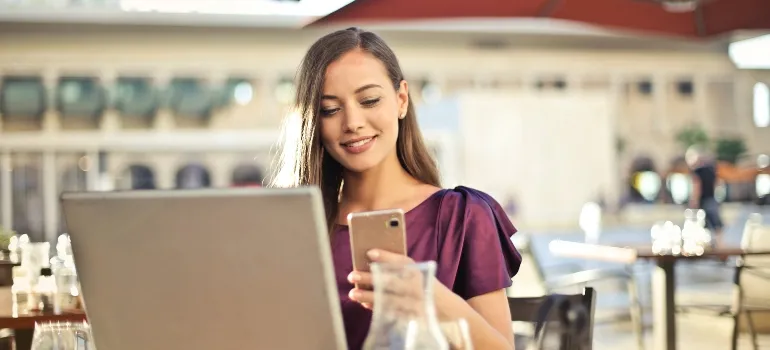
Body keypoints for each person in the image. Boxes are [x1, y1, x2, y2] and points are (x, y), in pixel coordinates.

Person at [272, 27, 521, 349]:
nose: (352, 122)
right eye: (330, 109)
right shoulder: (295, 228)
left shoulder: (461, 216)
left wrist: (431, 298)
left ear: (401, 100)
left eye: (369, 100)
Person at [686, 144, 724, 247]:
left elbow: (697, 186)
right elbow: (718, 183)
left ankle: (703, 245)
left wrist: (694, 200)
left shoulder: (697, 172)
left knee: (701, 223)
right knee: (716, 224)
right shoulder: (711, 170)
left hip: (703, 201)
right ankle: (719, 245)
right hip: (712, 199)